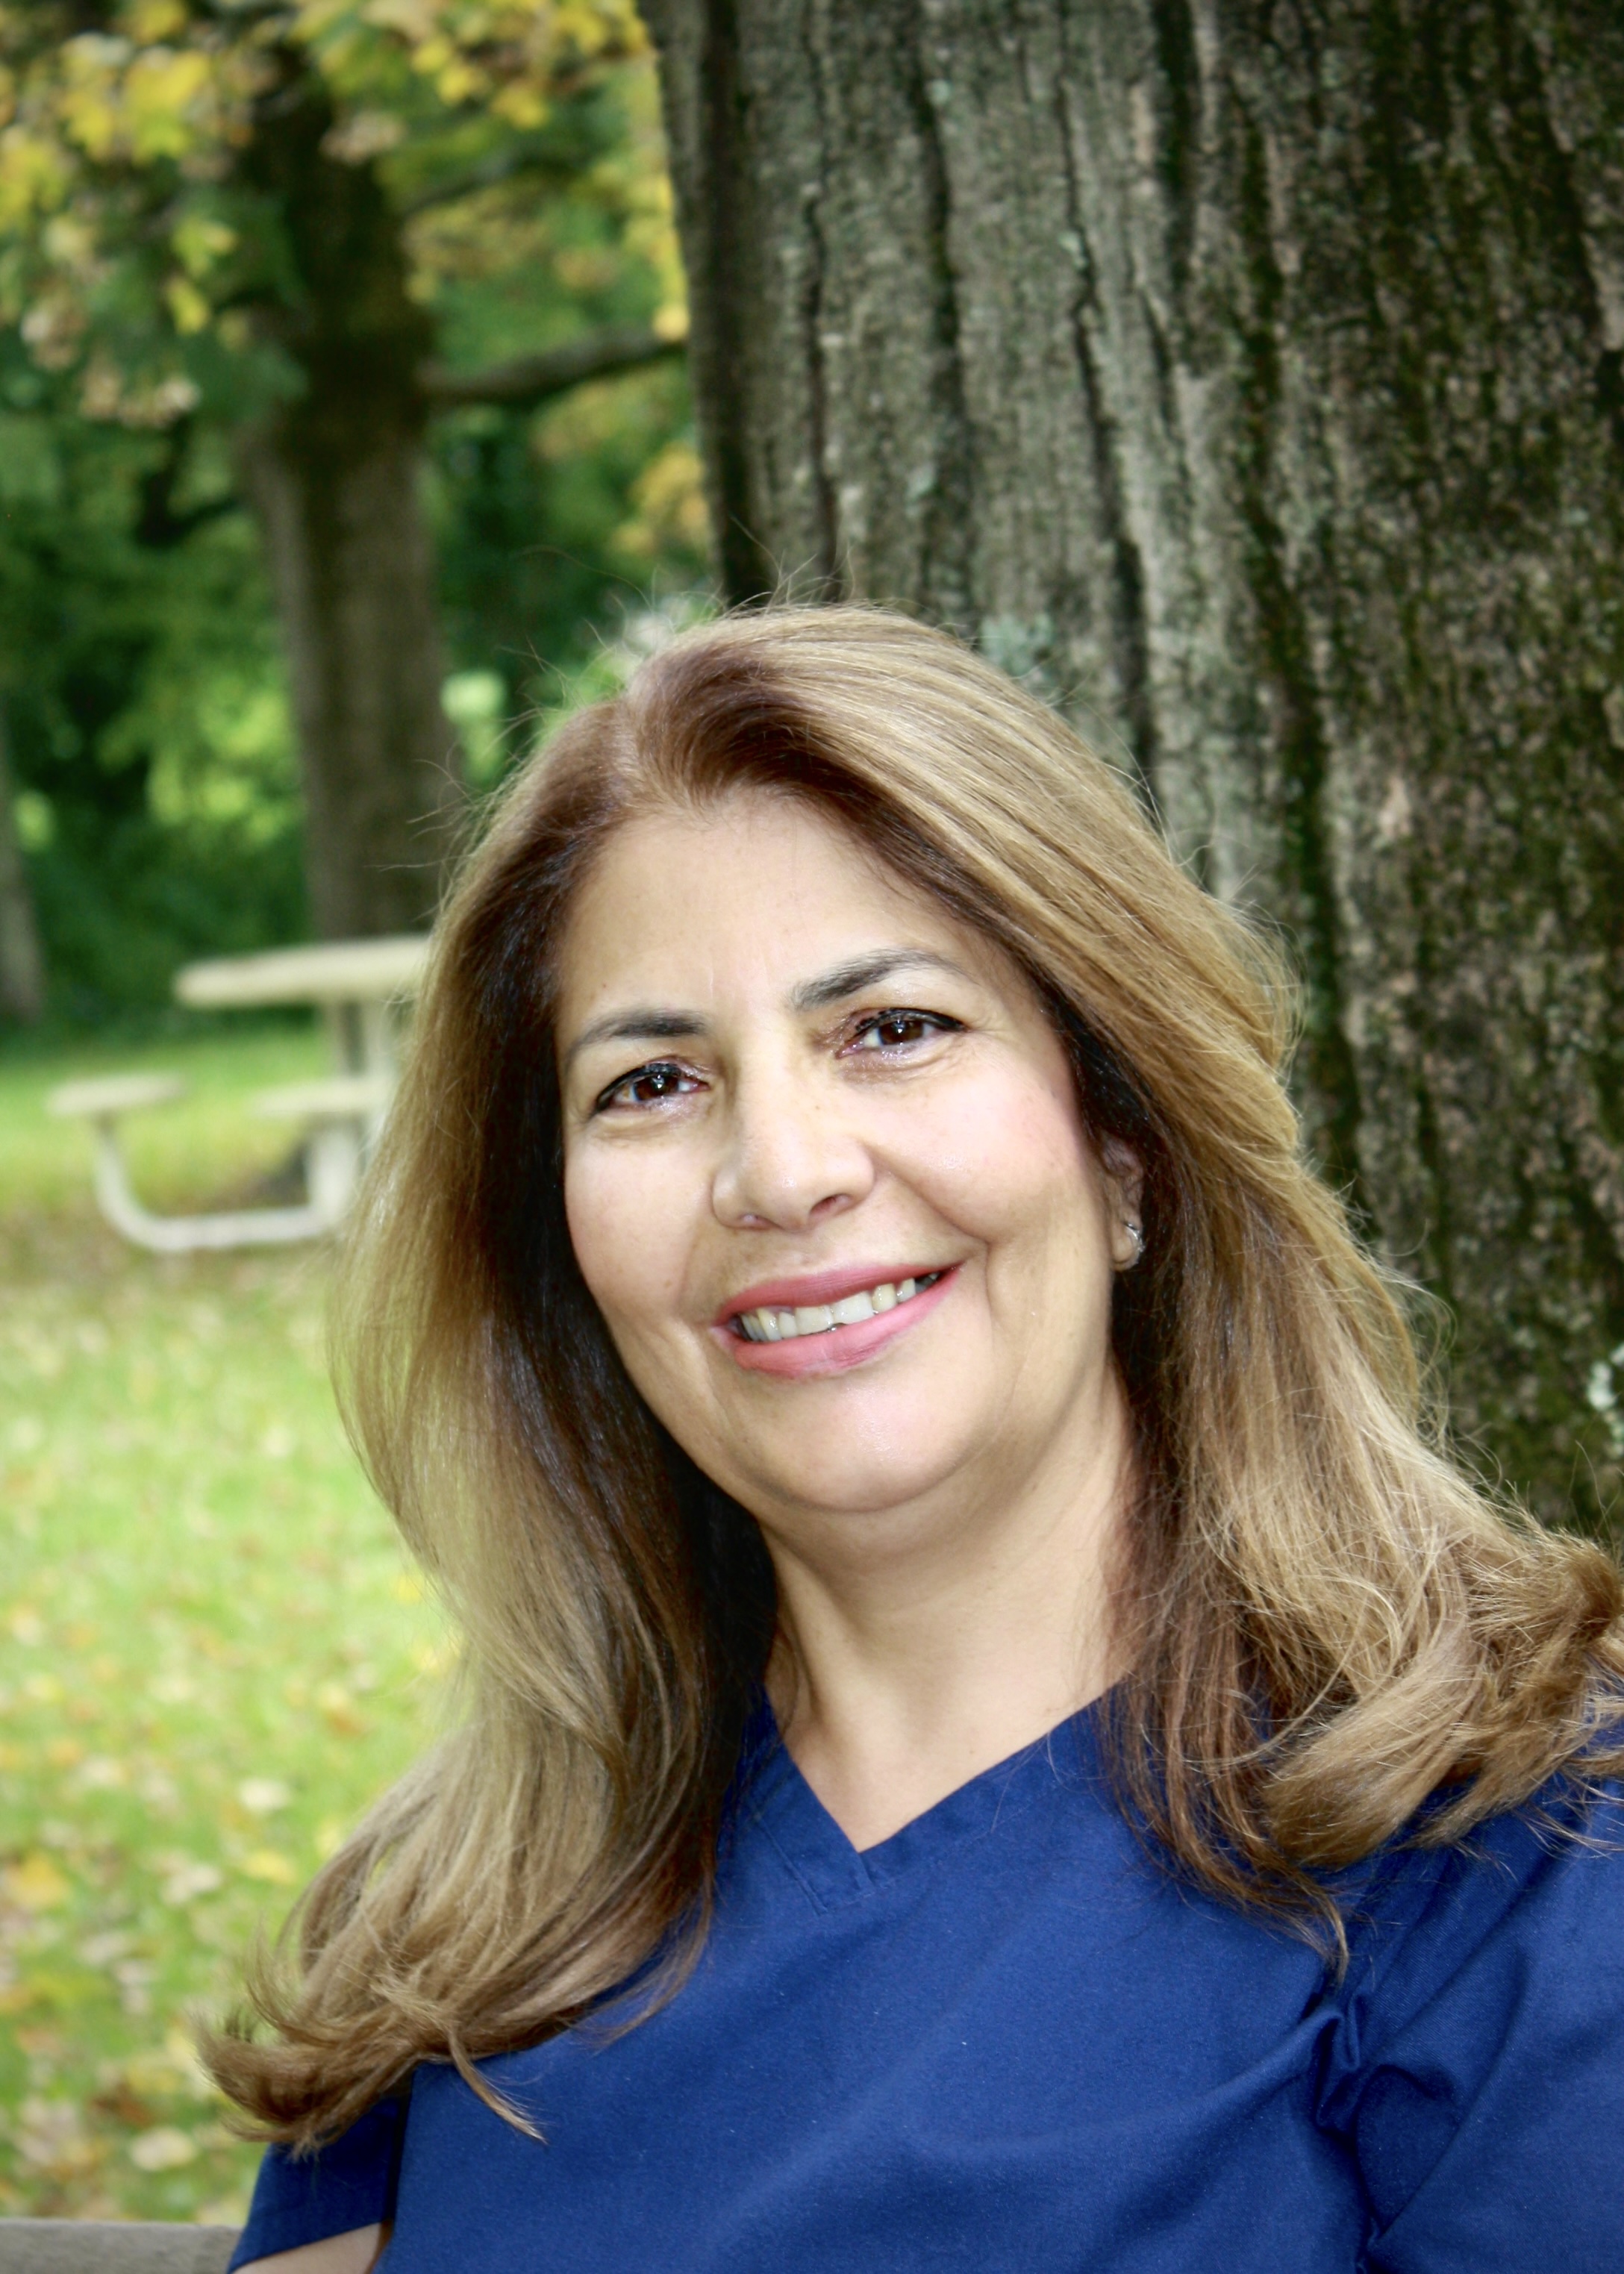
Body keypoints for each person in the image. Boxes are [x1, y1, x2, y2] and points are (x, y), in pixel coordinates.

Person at [214, 606, 1624, 2273]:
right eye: (652, 1082)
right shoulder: (463, 1912)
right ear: (558, 1249)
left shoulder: (1508, 1853)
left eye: (893, 1028)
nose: (781, 1170)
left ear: (1121, 1144)